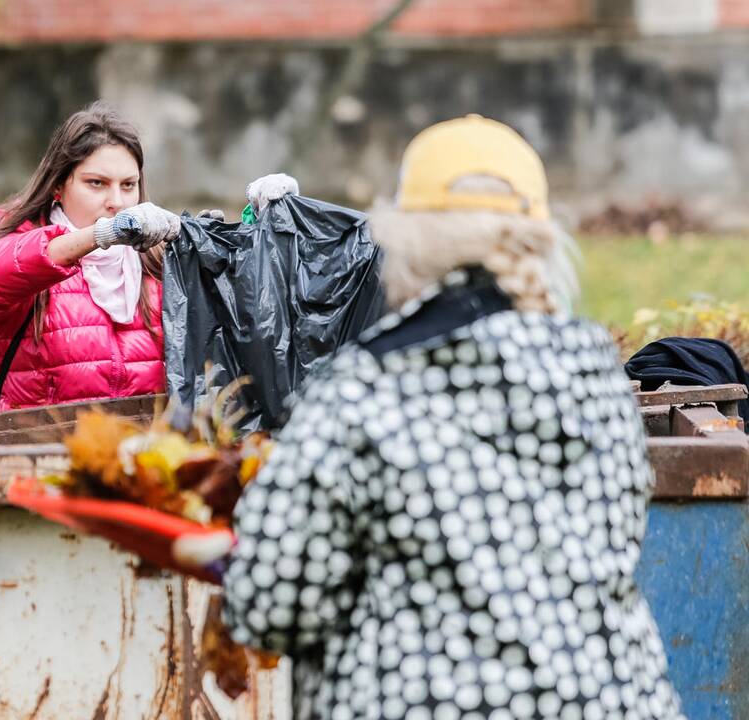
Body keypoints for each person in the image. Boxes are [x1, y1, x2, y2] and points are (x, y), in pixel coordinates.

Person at [211, 115, 686, 719]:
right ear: (536, 236)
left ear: (404, 236)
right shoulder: (595, 374)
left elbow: (269, 605)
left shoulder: (361, 393)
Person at [0, 101, 299, 412]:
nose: (116, 202)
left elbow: (246, 323)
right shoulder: (21, 239)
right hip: (38, 467)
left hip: (146, 468)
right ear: (58, 187)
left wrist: (264, 228)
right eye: (96, 183)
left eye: (127, 185)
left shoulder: (157, 260)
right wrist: (100, 236)